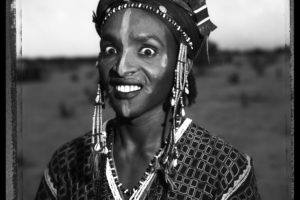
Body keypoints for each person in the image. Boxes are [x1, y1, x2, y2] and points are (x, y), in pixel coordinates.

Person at [35, 0, 261, 199]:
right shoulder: (67, 163)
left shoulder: (225, 171)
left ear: (182, 64)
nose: (122, 67)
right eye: (111, 49)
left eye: (147, 51)